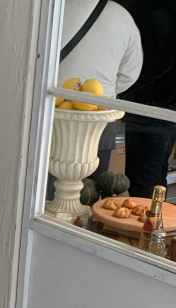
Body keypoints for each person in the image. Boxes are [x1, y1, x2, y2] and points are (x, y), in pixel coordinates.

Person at [48, 0, 142, 202]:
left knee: (48, 189)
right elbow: (130, 74)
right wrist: (100, 93)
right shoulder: (122, 16)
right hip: (100, 114)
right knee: (91, 190)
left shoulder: (50, 8)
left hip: (52, 109)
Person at [116, 0, 176, 198]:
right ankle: (156, 216)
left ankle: (149, 217)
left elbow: (152, 61)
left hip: (151, 104)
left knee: (143, 184)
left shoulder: (153, 8)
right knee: (156, 176)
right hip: (164, 105)